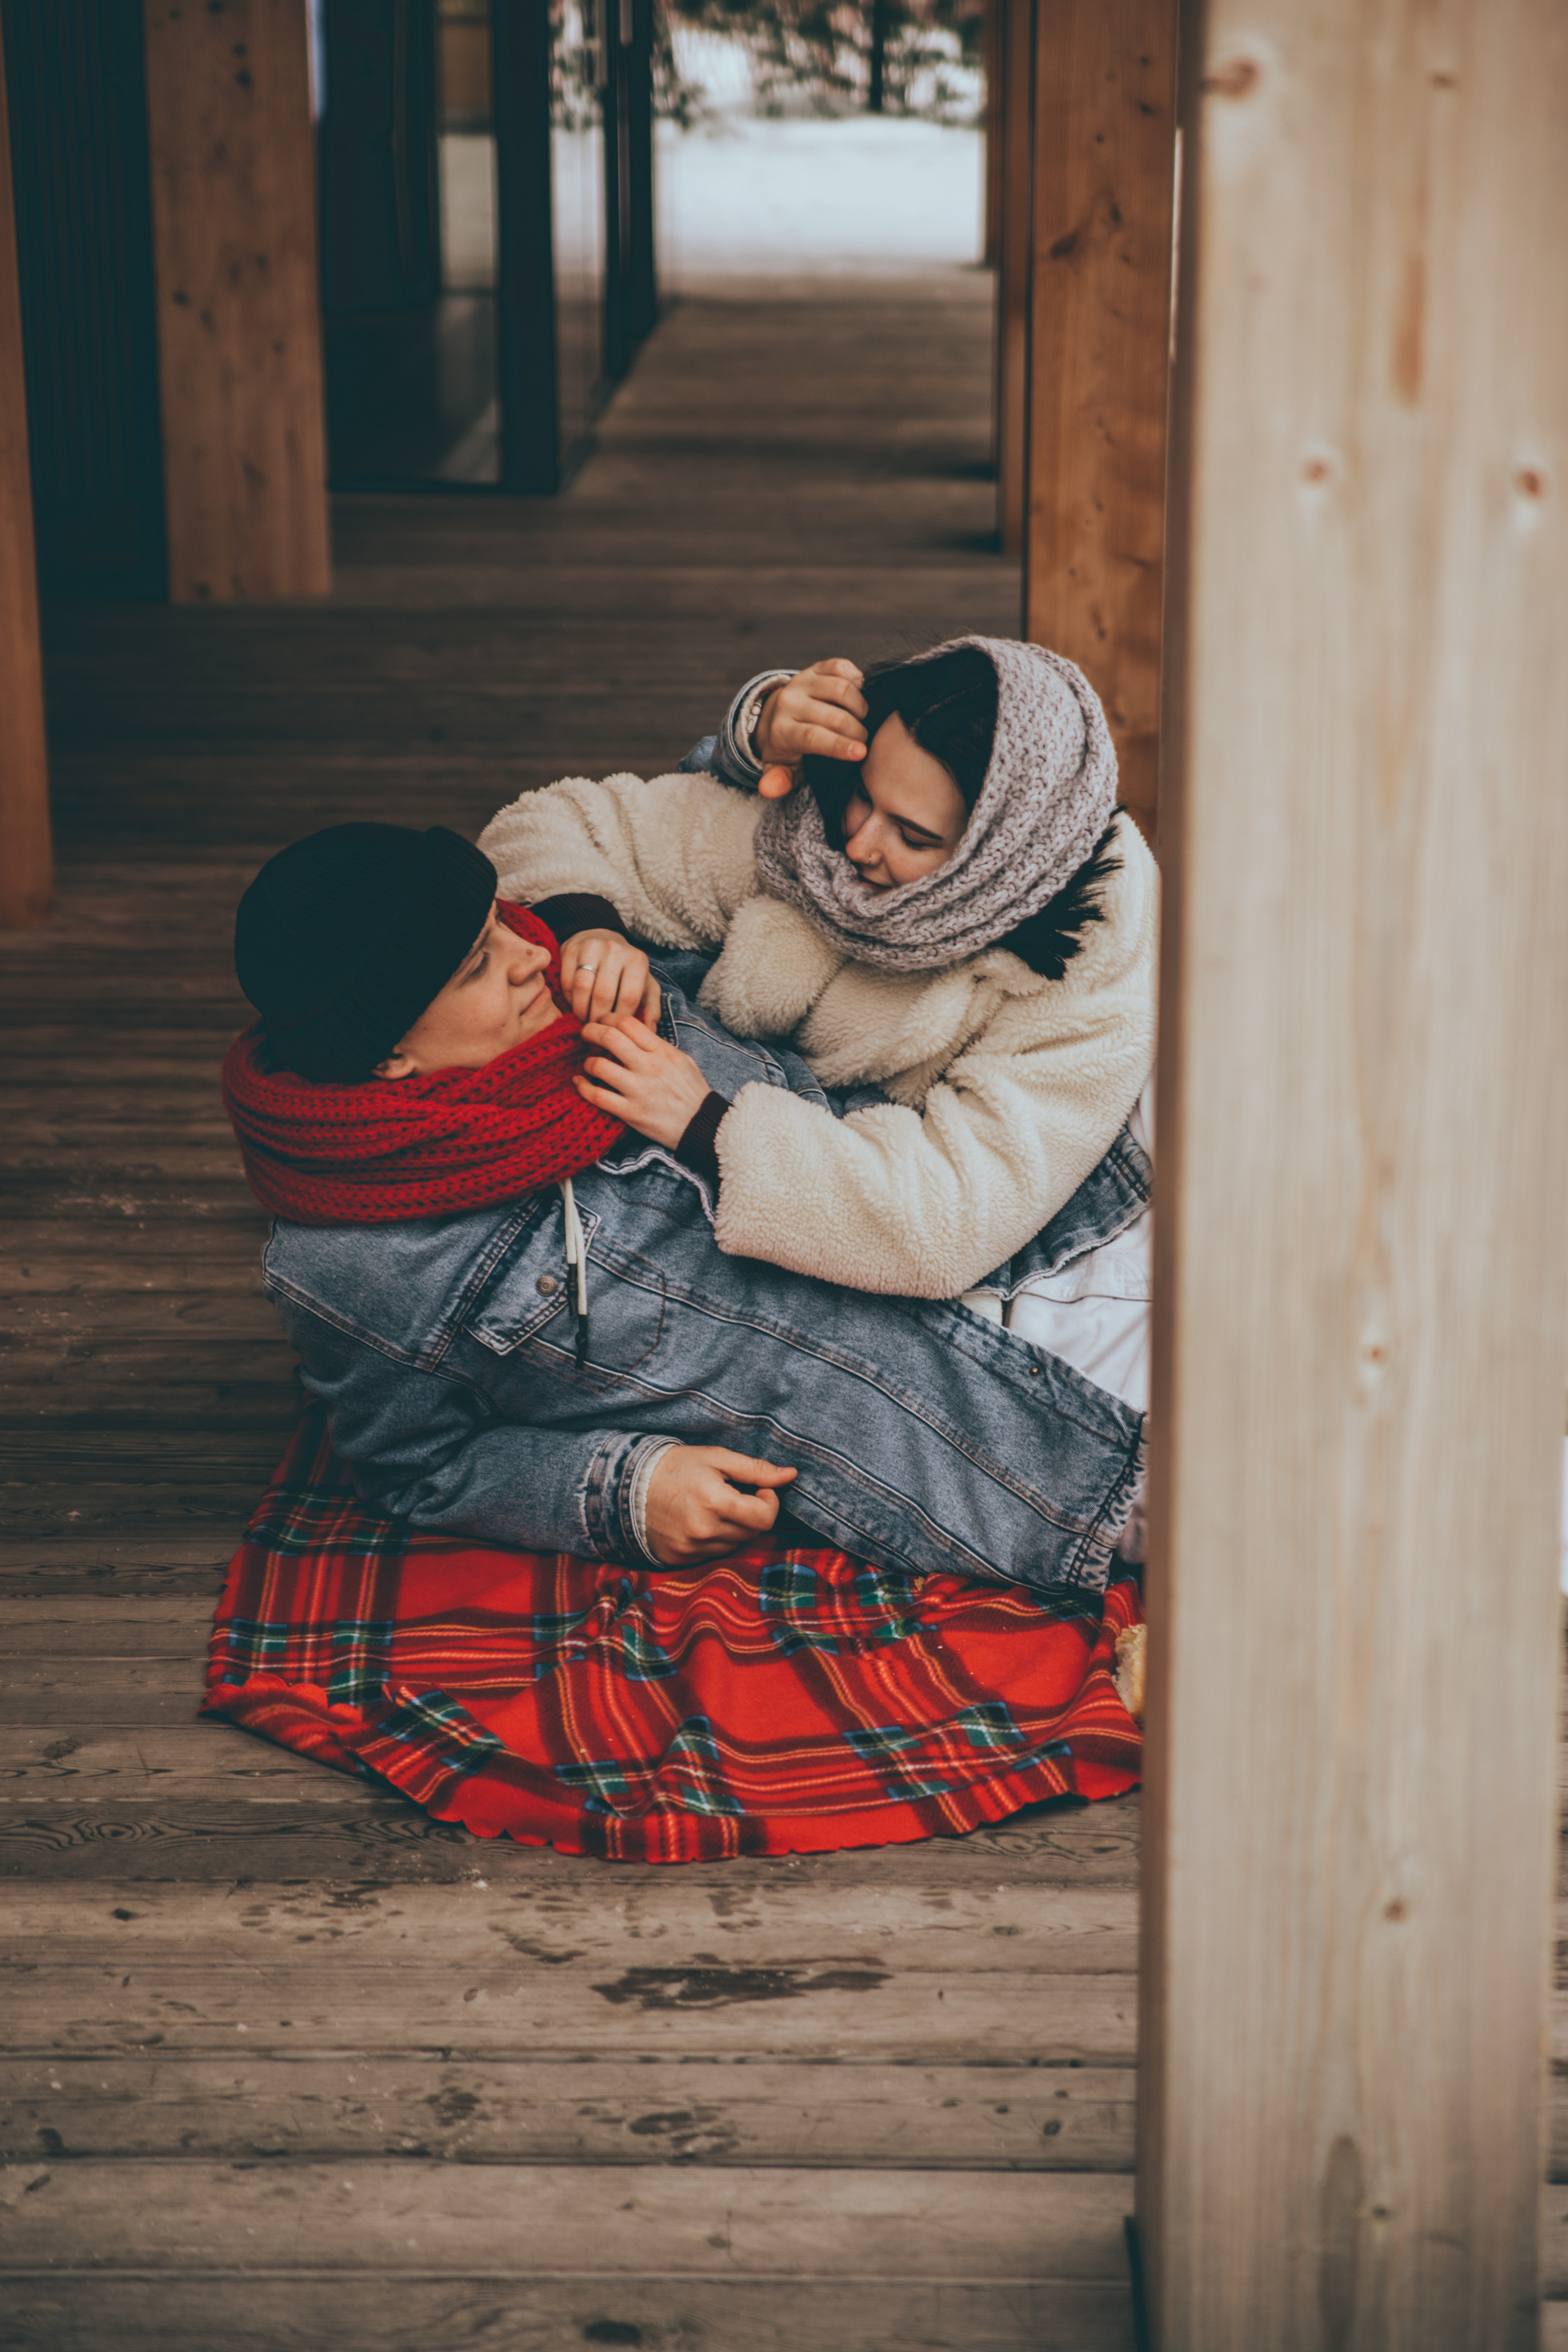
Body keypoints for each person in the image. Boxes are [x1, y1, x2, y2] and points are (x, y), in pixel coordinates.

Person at [222, 820, 1145, 1596]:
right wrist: (623, 1490)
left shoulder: (590, 977)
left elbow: (670, 809)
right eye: (476, 966)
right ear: (388, 1056)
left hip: (1053, 1212)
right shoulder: (352, 1266)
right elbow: (417, 1469)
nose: (529, 954)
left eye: (501, 920)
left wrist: (599, 920)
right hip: (1025, 1446)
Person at [477, 635, 1157, 1429]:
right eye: (864, 796)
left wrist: (707, 1126)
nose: (859, 845)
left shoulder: (1088, 967)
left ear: (996, 856)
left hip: (983, 1216)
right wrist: (588, 927)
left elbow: (948, 1220)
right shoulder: (812, 827)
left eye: (914, 837)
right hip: (791, 1133)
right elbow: (556, 824)